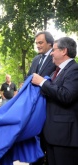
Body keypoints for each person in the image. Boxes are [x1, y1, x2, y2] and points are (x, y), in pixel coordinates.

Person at [31, 37, 78, 165]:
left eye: (54, 50)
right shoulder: (55, 73)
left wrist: (42, 82)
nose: (51, 53)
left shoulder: (74, 70)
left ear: (64, 51)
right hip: (52, 136)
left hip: (64, 138)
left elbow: (66, 95)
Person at [27, 31, 56, 165]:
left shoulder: (56, 58)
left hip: (49, 106)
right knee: (34, 143)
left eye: (40, 42)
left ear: (50, 43)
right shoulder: (35, 59)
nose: (37, 46)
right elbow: (29, 77)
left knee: (47, 143)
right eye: (36, 43)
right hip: (33, 107)